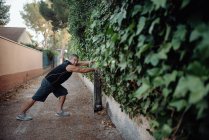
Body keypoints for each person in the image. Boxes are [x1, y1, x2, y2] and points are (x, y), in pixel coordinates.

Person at [16, 54, 96, 121]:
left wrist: (90, 62)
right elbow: (82, 70)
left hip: (54, 84)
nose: (75, 62)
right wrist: (94, 69)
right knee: (35, 98)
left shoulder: (70, 63)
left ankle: (59, 111)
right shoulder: (69, 66)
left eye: (76, 60)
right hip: (48, 83)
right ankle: (21, 114)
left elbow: (81, 63)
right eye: (74, 60)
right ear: (70, 59)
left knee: (63, 93)